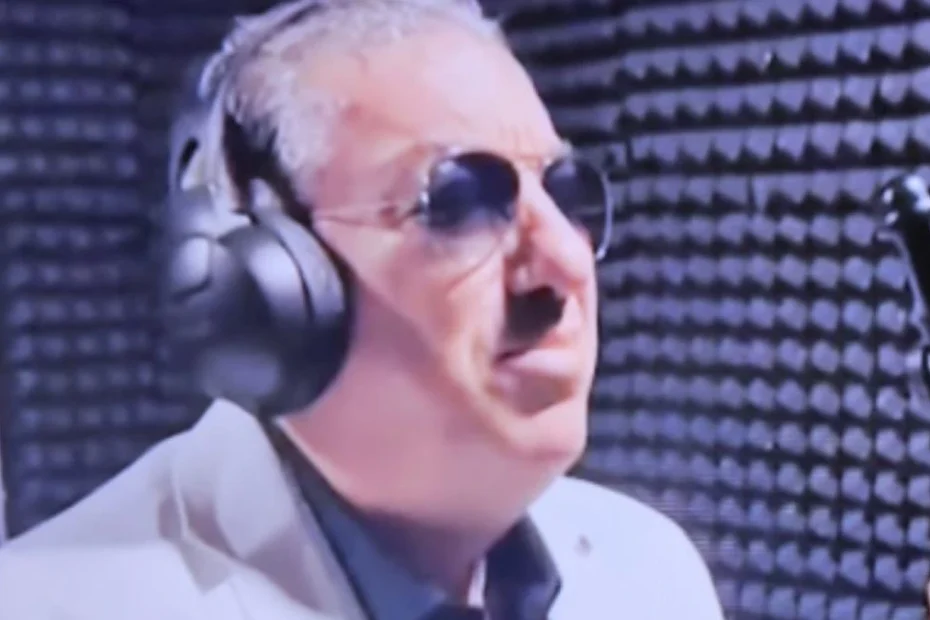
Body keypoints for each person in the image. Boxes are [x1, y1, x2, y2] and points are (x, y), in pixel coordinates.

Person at [0, 0, 724, 618]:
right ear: (264, 288)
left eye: (565, 193)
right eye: (460, 202)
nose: (565, 261)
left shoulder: (649, 571)